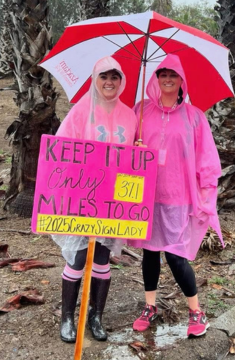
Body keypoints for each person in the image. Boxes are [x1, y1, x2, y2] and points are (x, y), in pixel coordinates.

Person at [128, 54, 224, 338]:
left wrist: (206, 194)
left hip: (179, 196)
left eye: (173, 74)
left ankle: (196, 312)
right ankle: (150, 306)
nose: (167, 78)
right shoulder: (140, 110)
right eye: (162, 73)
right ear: (155, 78)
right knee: (149, 252)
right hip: (146, 194)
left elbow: (206, 158)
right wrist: (136, 145)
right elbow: (122, 148)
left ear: (182, 79)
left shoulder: (195, 117)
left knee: (176, 256)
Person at [53, 56, 137, 343]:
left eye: (115, 76)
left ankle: (95, 316)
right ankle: (67, 317)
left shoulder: (130, 115)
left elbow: (134, 159)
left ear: (121, 80)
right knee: (78, 258)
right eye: (104, 76)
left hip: (114, 198)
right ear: (95, 79)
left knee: (103, 257)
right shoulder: (80, 112)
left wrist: (139, 152)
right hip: (83, 195)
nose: (109, 82)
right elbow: (61, 148)